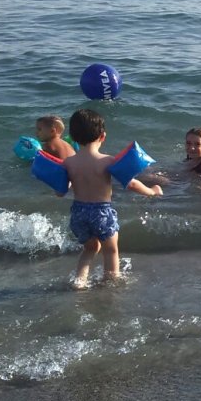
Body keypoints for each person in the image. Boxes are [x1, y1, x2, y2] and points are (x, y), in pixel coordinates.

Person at [61, 108, 162, 286]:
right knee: (111, 250)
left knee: (90, 247)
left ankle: (79, 281)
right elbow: (130, 183)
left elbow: (60, 191)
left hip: (78, 212)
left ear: (73, 137)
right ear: (103, 136)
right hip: (101, 212)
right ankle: (111, 281)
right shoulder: (107, 161)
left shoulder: (68, 163)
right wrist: (151, 191)